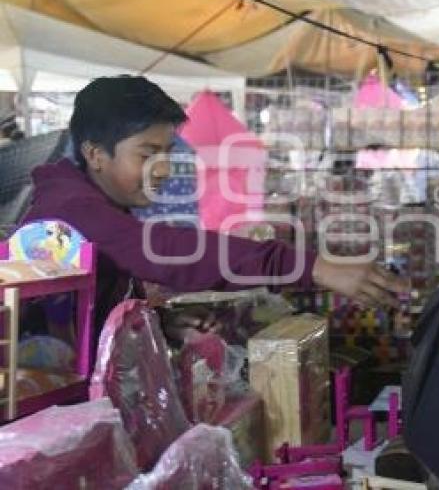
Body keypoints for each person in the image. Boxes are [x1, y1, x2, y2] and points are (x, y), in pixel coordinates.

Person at [21, 76, 404, 344]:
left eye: (168, 152)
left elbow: (84, 315)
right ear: (95, 154)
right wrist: (313, 267)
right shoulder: (70, 209)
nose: (165, 169)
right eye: (148, 153)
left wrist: (156, 323)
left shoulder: (94, 202)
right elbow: (166, 250)